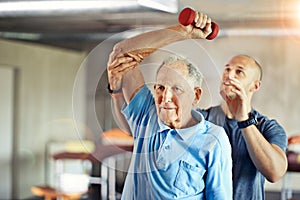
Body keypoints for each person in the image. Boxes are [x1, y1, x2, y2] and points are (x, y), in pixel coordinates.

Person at [107, 10, 288, 200]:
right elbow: (124, 54)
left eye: (239, 72)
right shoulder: (192, 117)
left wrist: (243, 119)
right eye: (227, 69)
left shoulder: (263, 129)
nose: (229, 75)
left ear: (255, 86)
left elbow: (274, 173)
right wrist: (183, 32)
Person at [107, 51, 232, 199]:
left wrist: (186, 32)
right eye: (160, 88)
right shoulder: (148, 115)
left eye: (177, 89)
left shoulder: (213, 139)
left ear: (196, 95)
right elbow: (124, 51)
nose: (165, 97)